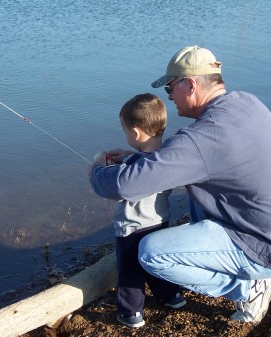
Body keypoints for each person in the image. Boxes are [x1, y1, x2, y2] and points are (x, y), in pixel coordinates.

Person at [89, 45, 271, 325]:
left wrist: (97, 170)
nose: (170, 96)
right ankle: (254, 272)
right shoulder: (247, 103)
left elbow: (122, 186)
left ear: (190, 84)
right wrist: (141, 157)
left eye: (171, 88)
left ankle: (249, 289)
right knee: (196, 185)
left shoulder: (200, 140)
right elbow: (193, 158)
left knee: (150, 253)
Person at [89, 93, 186, 328]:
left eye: (125, 131)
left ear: (135, 133)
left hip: (132, 229)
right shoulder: (166, 158)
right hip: (159, 222)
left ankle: (131, 312)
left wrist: (97, 167)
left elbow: (115, 188)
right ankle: (171, 296)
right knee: (156, 264)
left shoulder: (134, 166)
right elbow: (145, 163)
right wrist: (131, 156)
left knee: (130, 270)